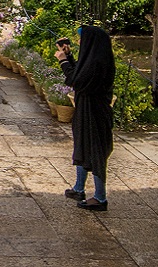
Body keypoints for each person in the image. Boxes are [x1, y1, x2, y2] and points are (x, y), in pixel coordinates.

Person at [58, 26, 115, 211]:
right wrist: (70, 57)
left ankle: (100, 197)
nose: (79, 42)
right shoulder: (95, 59)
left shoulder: (98, 63)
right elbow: (81, 73)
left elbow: (77, 81)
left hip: (95, 114)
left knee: (95, 151)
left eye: (82, 39)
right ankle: (79, 188)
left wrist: (63, 62)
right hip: (86, 111)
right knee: (82, 146)